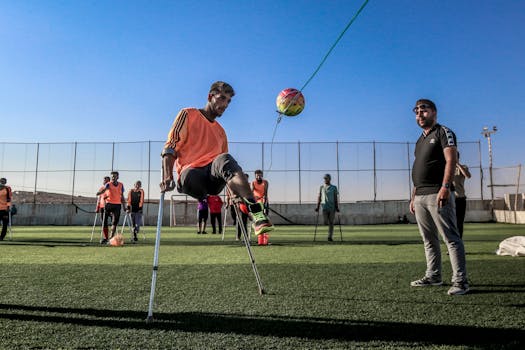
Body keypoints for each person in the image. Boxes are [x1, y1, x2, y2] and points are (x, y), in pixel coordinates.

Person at [160, 81, 273, 236]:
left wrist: (234, 194)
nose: (225, 104)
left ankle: (257, 214)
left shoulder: (221, 132)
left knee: (225, 158)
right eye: (221, 98)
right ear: (210, 96)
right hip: (191, 176)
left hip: (213, 182)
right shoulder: (188, 114)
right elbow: (170, 146)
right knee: (199, 170)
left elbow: (227, 170)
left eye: (228, 101)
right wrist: (168, 176)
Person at [409, 99, 469, 296]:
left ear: (434, 112)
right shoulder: (420, 140)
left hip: (438, 192)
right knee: (428, 239)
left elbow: (451, 160)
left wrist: (445, 187)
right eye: (416, 111)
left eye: (423, 110)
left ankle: (461, 281)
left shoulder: (444, 132)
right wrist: (413, 196)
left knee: (451, 238)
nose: (419, 114)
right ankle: (433, 276)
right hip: (421, 196)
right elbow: (418, 169)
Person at [103, 171, 126, 244]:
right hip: (108, 205)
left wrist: (124, 206)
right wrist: (100, 192)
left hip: (117, 205)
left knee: (114, 223)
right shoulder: (108, 184)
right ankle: (105, 238)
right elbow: (103, 191)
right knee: (104, 221)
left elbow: (122, 196)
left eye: (114, 176)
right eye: (112, 176)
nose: (113, 177)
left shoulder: (121, 185)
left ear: (117, 177)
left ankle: (110, 238)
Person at [315, 174, 339, 242]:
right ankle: (329, 230)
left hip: (332, 207)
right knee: (325, 221)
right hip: (324, 207)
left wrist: (337, 207)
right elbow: (319, 197)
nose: (325, 180)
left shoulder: (334, 187)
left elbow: (335, 198)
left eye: (326, 178)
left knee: (331, 222)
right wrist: (317, 207)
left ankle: (329, 236)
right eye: (324, 178)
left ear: (329, 179)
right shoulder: (321, 187)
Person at [453, 152, 471, 238]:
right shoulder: (446, 168)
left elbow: (468, 176)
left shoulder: (463, 167)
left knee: (459, 223)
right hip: (450, 200)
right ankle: (451, 246)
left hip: (460, 199)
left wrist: (457, 164)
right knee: (450, 223)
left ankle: (459, 245)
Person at [95, 176, 111, 243]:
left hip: (110, 206)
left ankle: (112, 237)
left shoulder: (111, 187)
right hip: (102, 207)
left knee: (114, 221)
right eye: (104, 180)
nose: (105, 181)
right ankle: (106, 238)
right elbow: (99, 198)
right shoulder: (101, 188)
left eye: (107, 180)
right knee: (104, 222)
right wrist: (97, 207)